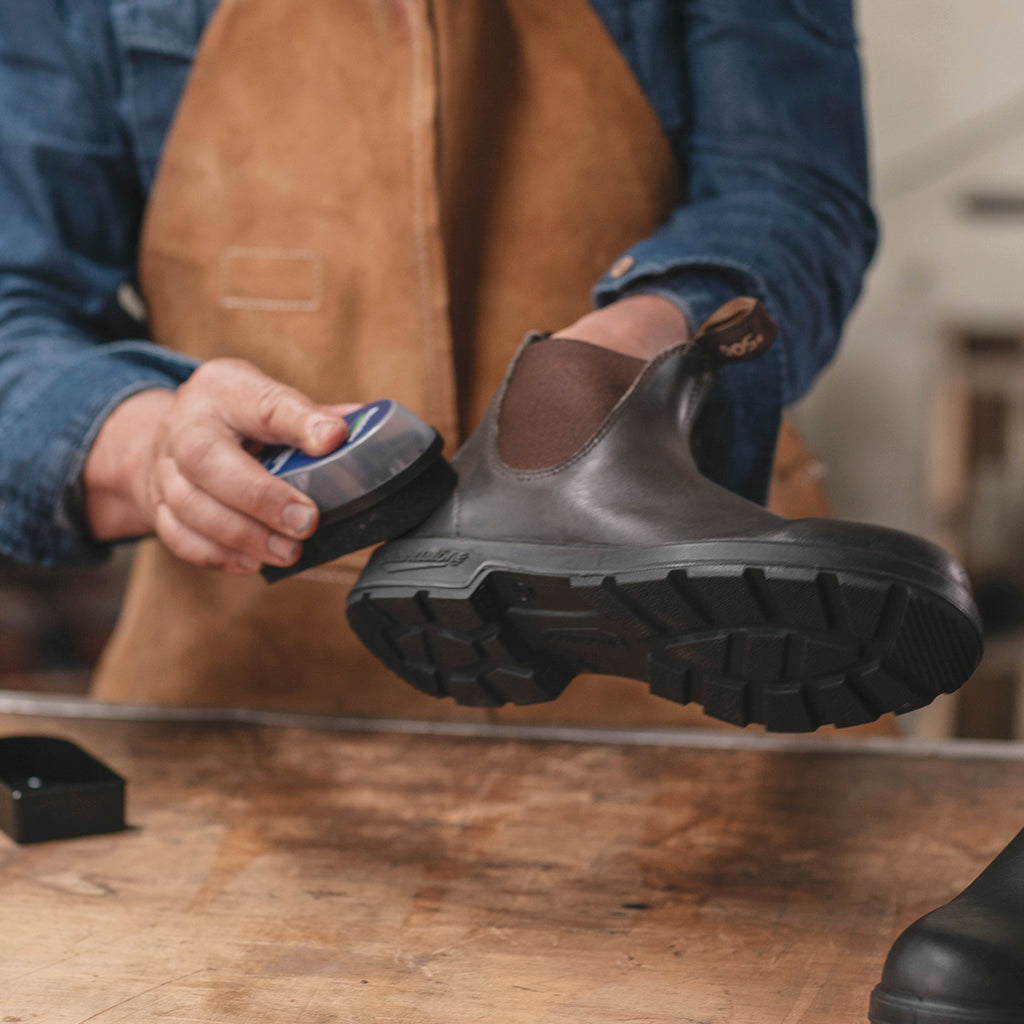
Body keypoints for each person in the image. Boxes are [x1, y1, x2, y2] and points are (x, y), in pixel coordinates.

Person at [0, 0, 981, 726]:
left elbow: (793, 194)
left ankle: (569, 460)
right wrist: (151, 449)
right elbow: (17, 302)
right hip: (248, 697)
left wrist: (603, 374)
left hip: (687, 716)